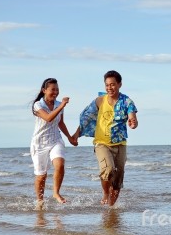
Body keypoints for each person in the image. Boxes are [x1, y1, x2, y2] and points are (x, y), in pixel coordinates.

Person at [73, 70, 138, 207]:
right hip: (102, 143)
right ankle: (105, 194)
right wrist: (76, 135)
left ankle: (111, 208)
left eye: (113, 84)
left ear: (119, 84)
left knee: (118, 178)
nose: (110, 88)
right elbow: (86, 119)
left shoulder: (127, 101)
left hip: (120, 144)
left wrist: (132, 121)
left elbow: (132, 115)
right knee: (108, 170)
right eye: (107, 85)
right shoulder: (99, 101)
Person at [30, 78, 77, 209]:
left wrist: (69, 137)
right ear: (44, 90)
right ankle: (40, 201)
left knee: (60, 164)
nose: (55, 92)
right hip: (39, 143)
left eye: (57, 89)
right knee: (41, 176)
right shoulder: (38, 105)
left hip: (55, 139)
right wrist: (62, 105)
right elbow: (49, 118)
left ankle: (56, 193)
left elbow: (60, 123)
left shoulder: (58, 104)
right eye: (52, 89)